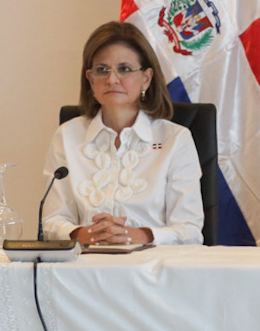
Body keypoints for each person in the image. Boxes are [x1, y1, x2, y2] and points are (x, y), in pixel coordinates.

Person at [42, 21, 204, 246]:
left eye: (124, 69)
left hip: (153, 264)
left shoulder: (175, 139)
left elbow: (190, 231)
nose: (111, 79)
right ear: (90, 79)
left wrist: (140, 236)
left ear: (146, 78)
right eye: (102, 70)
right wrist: (82, 234)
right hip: (86, 262)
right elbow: (52, 222)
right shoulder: (67, 136)